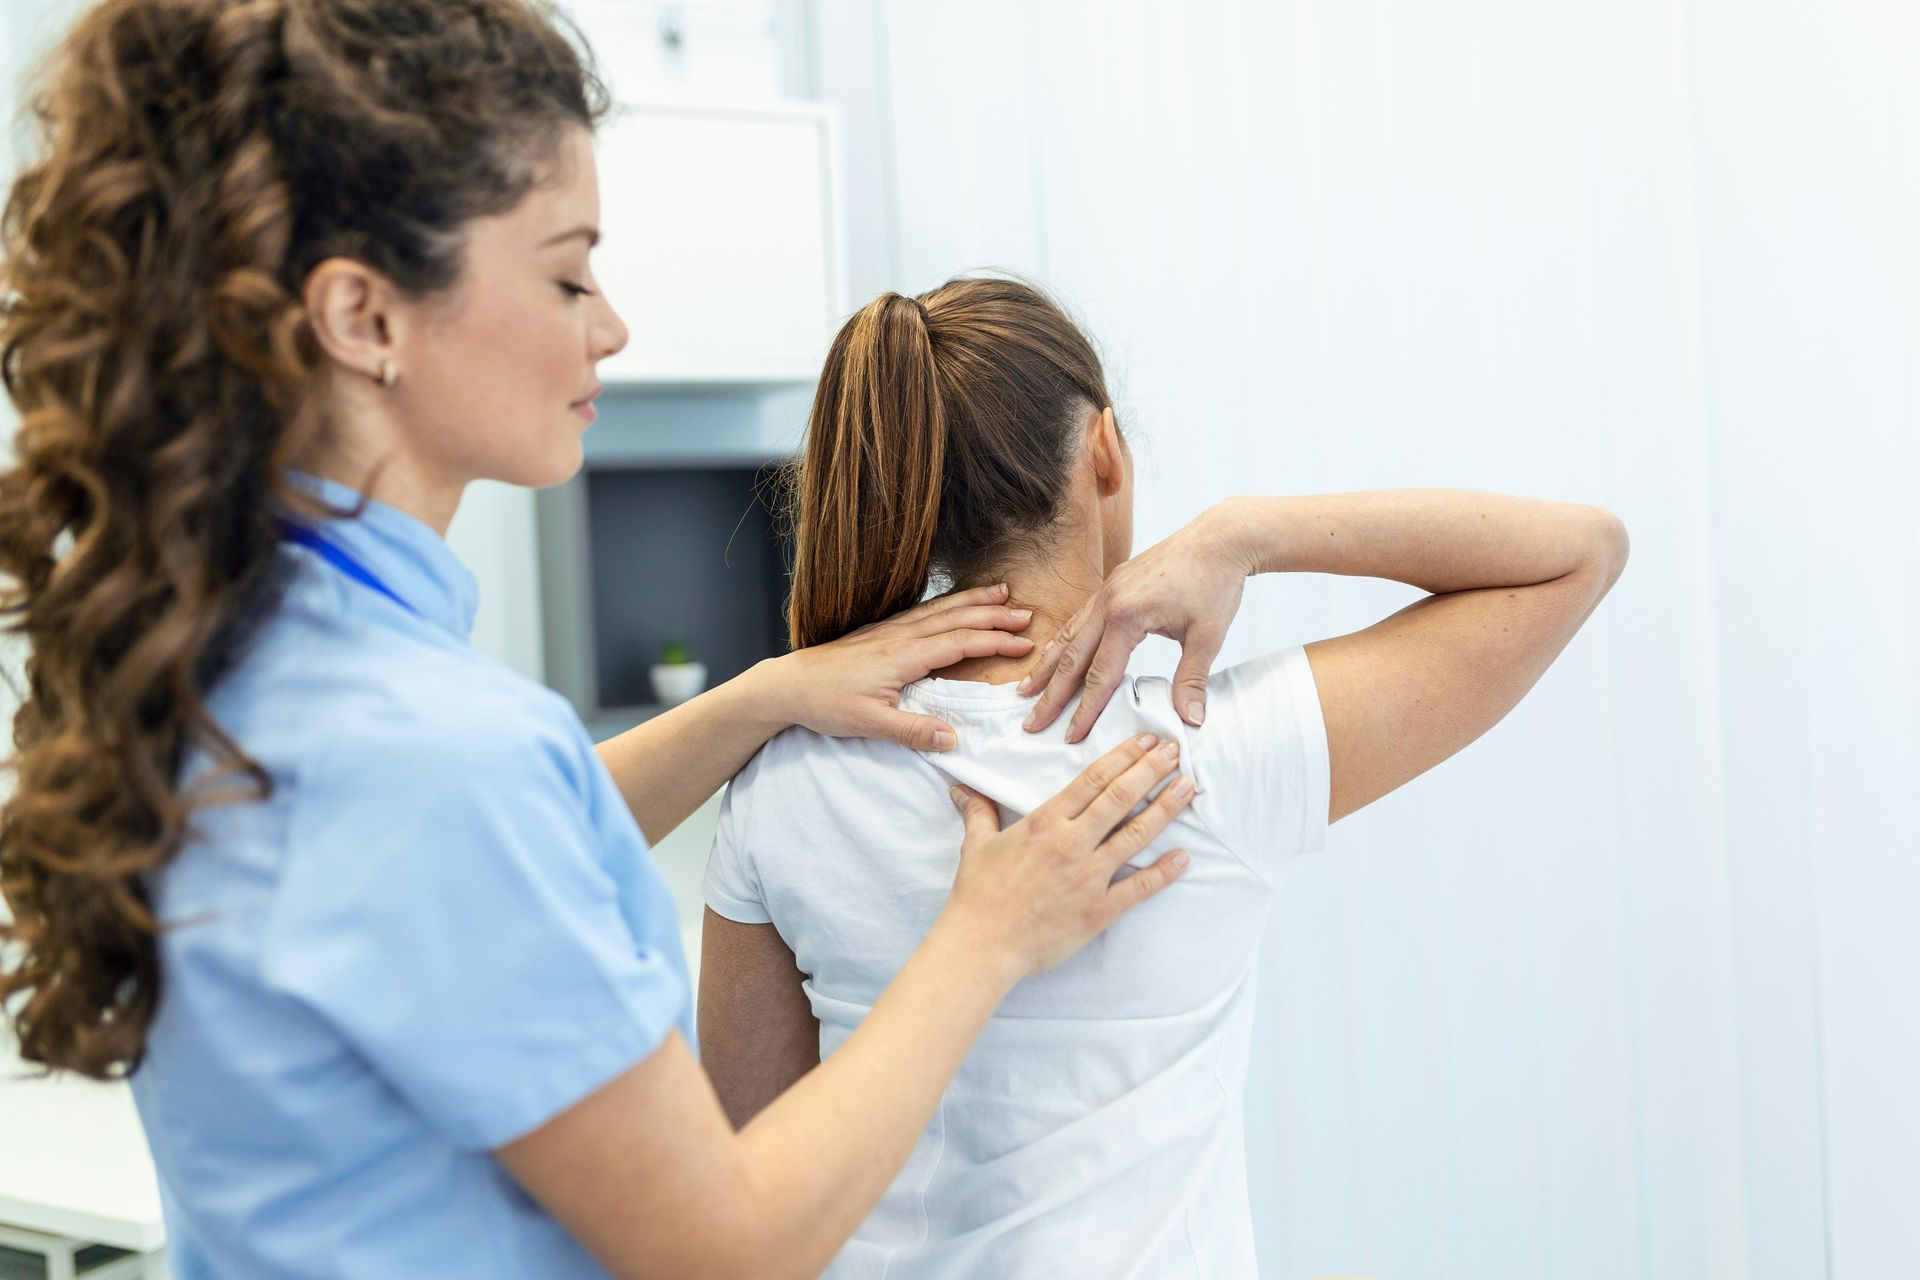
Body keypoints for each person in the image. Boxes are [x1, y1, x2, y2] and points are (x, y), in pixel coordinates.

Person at [0, 6, 1196, 1278]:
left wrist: (764, 695)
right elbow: (729, 1244)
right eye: (567, 273)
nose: (608, 324)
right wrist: (988, 935)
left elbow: (470, 873)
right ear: (364, 317)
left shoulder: (253, 661)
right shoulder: (440, 754)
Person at [698, 277, 1631, 1275]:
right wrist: (1245, 534)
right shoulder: (1206, 751)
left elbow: (750, 1169)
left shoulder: (779, 778)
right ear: (1106, 452)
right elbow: (1579, 552)